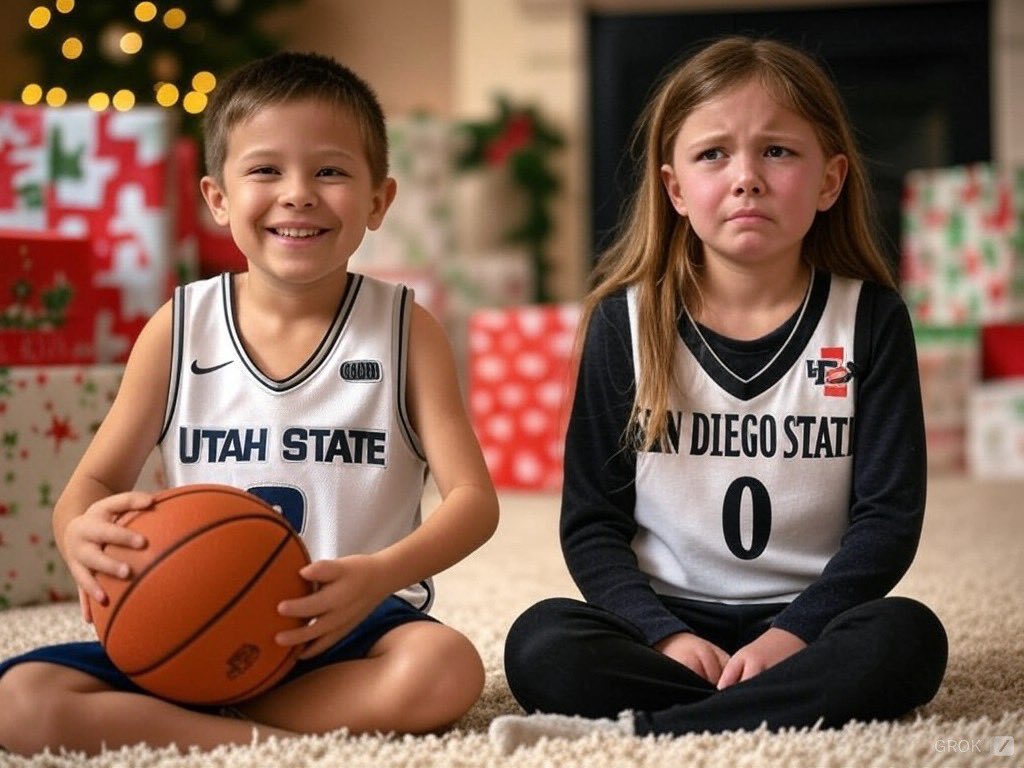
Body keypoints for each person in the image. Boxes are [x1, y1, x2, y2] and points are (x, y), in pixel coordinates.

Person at [0, 51, 499, 756]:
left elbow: (474, 501)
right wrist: (76, 530)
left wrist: (379, 575)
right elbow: (95, 482)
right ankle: (261, 734)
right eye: (265, 170)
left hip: (347, 626)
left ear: (379, 200)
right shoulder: (178, 327)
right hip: (190, 620)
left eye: (330, 172)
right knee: (18, 700)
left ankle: (206, 721)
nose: (298, 194)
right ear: (218, 199)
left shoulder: (406, 330)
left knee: (446, 669)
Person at [490, 36, 947, 753]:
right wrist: (664, 636)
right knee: (540, 641)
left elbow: (887, 521)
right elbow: (592, 523)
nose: (747, 178)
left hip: (811, 623)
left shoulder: (870, 319)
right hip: (667, 625)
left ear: (830, 181)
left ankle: (658, 727)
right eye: (713, 155)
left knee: (908, 638)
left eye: (778, 151)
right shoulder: (625, 321)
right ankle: (770, 706)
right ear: (674, 189)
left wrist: (793, 635)